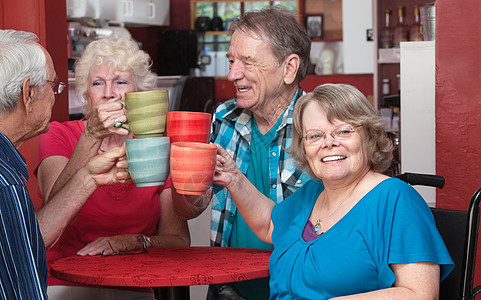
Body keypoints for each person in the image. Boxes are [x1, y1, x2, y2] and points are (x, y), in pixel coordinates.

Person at [212, 83, 454, 299]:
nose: (329, 142)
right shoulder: (311, 194)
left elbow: (420, 293)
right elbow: (269, 225)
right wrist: (234, 179)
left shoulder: (395, 199)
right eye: (315, 136)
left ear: (368, 136)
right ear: (304, 147)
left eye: (343, 131)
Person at [170, 6, 313, 299]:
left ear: (289, 68)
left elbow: (319, 228)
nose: (233, 74)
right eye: (232, 60)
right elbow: (190, 208)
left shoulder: (320, 129)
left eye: (247, 62)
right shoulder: (224, 118)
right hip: (228, 291)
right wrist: (181, 171)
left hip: (297, 288)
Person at [34, 37, 190, 300]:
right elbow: (55, 210)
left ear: (140, 93)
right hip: (61, 283)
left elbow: (178, 240)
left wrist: (132, 242)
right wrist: (91, 136)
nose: (109, 93)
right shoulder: (58, 135)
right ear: (86, 95)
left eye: (121, 81)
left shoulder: (156, 148)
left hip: (133, 287)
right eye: (98, 83)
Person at [0, 29, 130, 299]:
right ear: (28, 93)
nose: (55, 95)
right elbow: (21, 284)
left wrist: (89, 178)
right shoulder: (7, 182)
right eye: (52, 86)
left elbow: (23, 241)